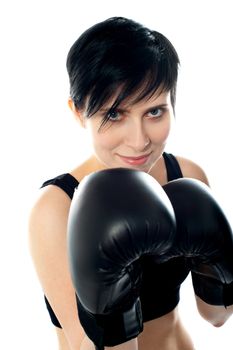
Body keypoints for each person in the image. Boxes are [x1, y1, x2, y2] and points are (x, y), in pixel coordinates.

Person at [28, 17, 233, 350]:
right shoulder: (56, 207)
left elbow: (216, 316)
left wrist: (221, 274)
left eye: (154, 112)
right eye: (114, 114)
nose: (139, 141)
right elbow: (88, 345)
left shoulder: (188, 176)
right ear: (79, 113)